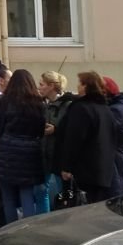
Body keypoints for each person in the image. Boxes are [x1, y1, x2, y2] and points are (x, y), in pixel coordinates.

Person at [0, 68, 48, 223]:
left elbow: (0, 127)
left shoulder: (4, 100)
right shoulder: (38, 102)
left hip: (8, 150)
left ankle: (11, 231)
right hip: (30, 152)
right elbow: (40, 130)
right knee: (27, 195)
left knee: (9, 197)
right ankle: (27, 232)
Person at [57, 71, 120, 204]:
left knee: (86, 208)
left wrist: (66, 166)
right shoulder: (105, 108)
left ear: (86, 86)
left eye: (80, 83)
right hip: (104, 169)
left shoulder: (81, 108)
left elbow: (73, 139)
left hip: (86, 170)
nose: (77, 87)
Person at [40, 70, 73, 210]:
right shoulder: (44, 104)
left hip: (59, 155)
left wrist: (55, 130)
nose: (39, 87)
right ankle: (44, 220)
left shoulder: (68, 105)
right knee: (41, 190)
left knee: (63, 193)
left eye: (42, 84)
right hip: (45, 152)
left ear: (51, 86)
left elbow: (71, 130)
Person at [103, 77, 123, 201]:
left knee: (116, 197)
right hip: (118, 158)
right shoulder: (117, 107)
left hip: (117, 159)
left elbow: (107, 134)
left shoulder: (117, 110)